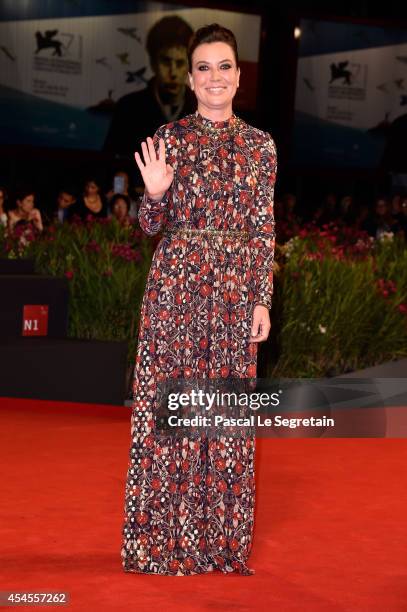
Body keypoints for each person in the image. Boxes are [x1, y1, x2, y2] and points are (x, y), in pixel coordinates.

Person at [121, 23, 277, 576]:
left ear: (238, 76)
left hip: (235, 293)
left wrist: (261, 298)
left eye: (225, 67)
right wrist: (155, 195)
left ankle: (217, 544)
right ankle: (165, 541)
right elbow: (150, 226)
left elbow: (263, 230)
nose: (215, 77)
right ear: (189, 78)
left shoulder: (261, 147)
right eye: (204, 68)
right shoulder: (170, 139)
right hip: (178, 288)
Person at [103, 15, 196, 176]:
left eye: (180, 63)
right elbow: (111, 162)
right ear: (153, 63)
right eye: (166, 62)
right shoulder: (128, 108)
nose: (173, 73)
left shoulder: (202, 110)